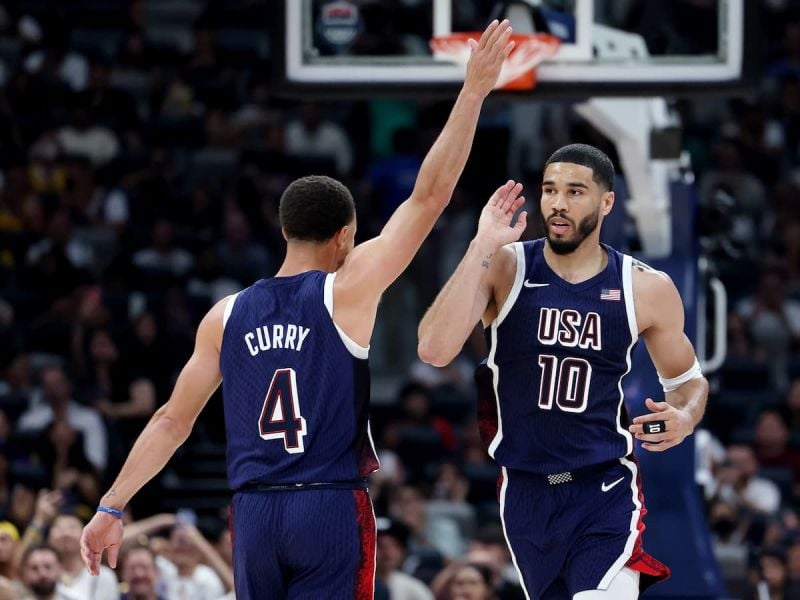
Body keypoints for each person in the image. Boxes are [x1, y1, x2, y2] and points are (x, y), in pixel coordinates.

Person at [80, 20, 516, 599]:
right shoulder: (348, 286)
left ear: (286, 231)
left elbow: (169, 422)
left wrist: (112, 504)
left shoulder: (225, 315)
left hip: (255, 514)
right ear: (343, 237)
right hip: (328, 506)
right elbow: (429, 196)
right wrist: (473, 91)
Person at [418, 144, 709, 599]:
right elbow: (434, 349)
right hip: (525, 492)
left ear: (606, 202)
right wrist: (482, 244)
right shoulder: (507, 266)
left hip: (605, 486)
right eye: (550, 190)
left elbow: (688, 381)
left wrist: (687, 415)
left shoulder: (644, 287)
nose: (557, 203)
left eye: (575, 192)